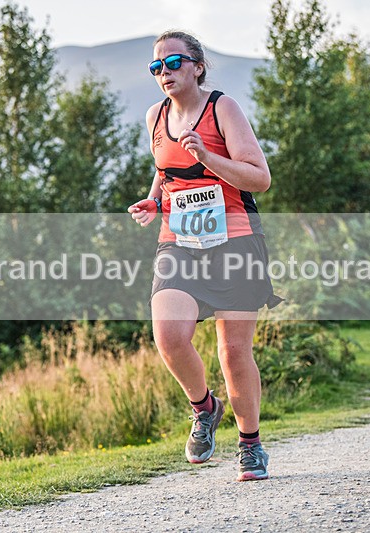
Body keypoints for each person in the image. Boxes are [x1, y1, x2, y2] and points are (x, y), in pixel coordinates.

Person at [128, 30, 282, 482]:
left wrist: (209, 156)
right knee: (169, 335)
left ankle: (250, 444)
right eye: (156, 67)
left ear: (197, 65)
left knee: (234, 353)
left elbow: (259, 178)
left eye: (173, 63)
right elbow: (166, 171)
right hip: (179, 240)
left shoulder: (223, 109)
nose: (164, 74)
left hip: (234, 240)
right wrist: (154, 201)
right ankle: (205, 408)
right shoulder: (156, 116)